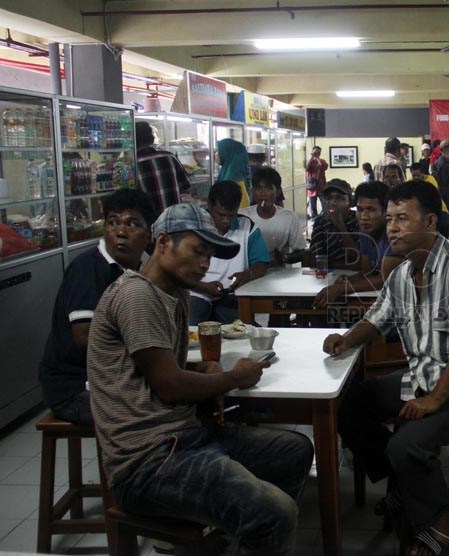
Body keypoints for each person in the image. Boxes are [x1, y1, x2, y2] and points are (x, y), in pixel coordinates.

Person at [88, 202, 314, 556]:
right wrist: (233, 377)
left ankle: (240, 534)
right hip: (146, 461)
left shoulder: (172, 293)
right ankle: (252, 525)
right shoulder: (135, 295)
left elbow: (155, 371)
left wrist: (204, 370)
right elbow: (170, 385)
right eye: (198, 251)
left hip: (185, 437)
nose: (206, 264)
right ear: (163, 243)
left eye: (210, 255)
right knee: (274, 512)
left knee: (295, 451)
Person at [325, 181, 449, 556]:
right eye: (390, 219)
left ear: (432, 221)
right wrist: (348, 338)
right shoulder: (403, 275)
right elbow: (378, 317)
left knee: (407, 445)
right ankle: (402, 486)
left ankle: (442, 516)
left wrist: (436, 399)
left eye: (403, 218)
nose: (392, 227)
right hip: (422, 380)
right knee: (349, 404)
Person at [38, 189, 155, 426]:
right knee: (161, 413)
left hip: (109, 379)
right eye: (113, 223)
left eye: (132, 224)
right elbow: (86, 338)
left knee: (182, 398)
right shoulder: (88, 268)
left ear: (150, 234)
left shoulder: (136, 270)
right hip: (75, 388)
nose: (121, 232)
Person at [189, 181, 269, 324]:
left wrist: (248, 274)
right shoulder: (194, 227)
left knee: (246, 331)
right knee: (189, 329)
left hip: (232, 294)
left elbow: (261, 263)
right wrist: (203, 286)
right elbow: (178, 271)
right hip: (197, 293)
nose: (226, 220)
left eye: (231, 215)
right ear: (209, 206)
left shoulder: (248, 227)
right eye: (220, 215)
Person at [314, 181, 403, 309]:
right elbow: (367, 272)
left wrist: (342, 288)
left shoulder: (394, 234)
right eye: (360, 210)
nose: (364, 217)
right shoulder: (366, 232)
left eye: (371, 210)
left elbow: (386, 279)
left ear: (386, 212)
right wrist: (350, 279)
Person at [239, 167, 305, 266]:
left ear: (278, 192)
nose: (262, 193)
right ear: (252, 191)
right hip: (250, 274)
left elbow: (300, 251)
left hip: (279, 275)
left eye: (268, 188)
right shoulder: (243, 216)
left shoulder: (289, 217)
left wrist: (284, 258)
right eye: (258, 188)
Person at [135, 121, 191, 215]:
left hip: (149, 222)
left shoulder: (132, 165)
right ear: (151, 139)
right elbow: (186, 187)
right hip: (174, 218)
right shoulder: (169, 157)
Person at [309, 179, 360, 269]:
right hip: (329, 275)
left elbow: (357, 257)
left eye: (340, 198)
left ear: (351, 202)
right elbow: (316, 258)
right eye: (329, 198)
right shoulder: (321, 222)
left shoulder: (358, 221)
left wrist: (340, 226)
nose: (333, 203)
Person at [410, 163, 449, 236]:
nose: (416, 178)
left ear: (423, 173)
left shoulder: (430, 179)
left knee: (443, 225)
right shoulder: (410, 182)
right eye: (413, 176)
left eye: (418, 175)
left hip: (439, 209)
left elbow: (432, 197)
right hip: (421, 211)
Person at [216, 138, 252, 209]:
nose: (216, 154)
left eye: (218, 150)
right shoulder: (229, 173)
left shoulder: (234, 179)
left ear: (228, 153)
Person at [432, 143, 449, 213]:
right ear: (448, 152)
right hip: (448, 191)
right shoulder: (448, 164)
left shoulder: (436, 162)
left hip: (439, 189)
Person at [306, 145, 328, 220]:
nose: (317, 152)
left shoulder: (322, 161)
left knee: (324, 204)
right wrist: (312, 157)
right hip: (312, 187)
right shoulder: (310, 162)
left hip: (321, 187)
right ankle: (314, 218)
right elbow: (306, 168)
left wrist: (317, 158)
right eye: (315, 151)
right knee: (312, 205)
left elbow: (323, 166)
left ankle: (325, 218)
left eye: (318, 151)